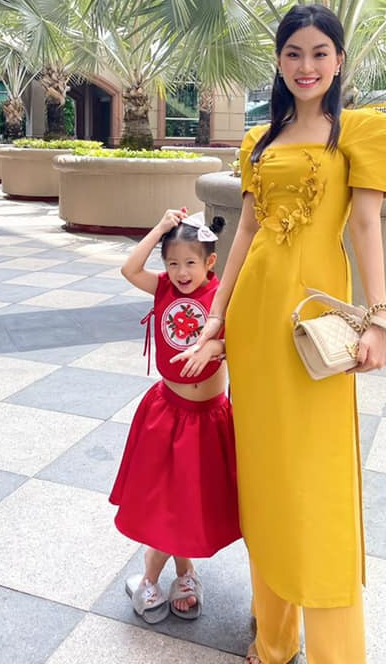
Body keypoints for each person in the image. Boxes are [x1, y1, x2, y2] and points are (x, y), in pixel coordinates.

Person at [172, 5, 386, 664]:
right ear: (278, 61)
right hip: (255, 327)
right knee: (267, 479)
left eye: (320, 52)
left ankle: (335, 652)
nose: (307, 66)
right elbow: (245, 231)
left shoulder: (363, 131)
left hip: (316, 329)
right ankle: (273, 640)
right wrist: (216, 320)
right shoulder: (258, 141)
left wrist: (380, 317)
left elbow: (365, 227)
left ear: (339, 60)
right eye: (294, 53)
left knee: (318, 482)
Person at [110, 208, 241, 625]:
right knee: (167, 499)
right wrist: (161, 229)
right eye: (172, 263)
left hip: (208, 417)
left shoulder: (220, 297)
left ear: (210, 262)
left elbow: (241, 340)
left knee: (187, 500)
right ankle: (161, 577)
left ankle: (178, 574)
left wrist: (217, 347)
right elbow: (130, 269)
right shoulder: (164, 287)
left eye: (190, 263)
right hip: (168, 412)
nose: (181, 272)